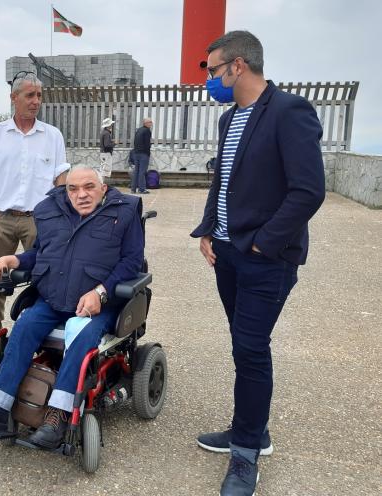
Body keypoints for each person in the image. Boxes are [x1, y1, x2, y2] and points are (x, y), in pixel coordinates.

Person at [190, 31, 325, 496]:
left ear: (238, 66)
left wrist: (263, 244)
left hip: (266, 259)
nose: (209, 79)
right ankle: (252, 428)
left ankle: (246, 452)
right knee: (243, 346)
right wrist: (209, 230)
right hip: (227, 254)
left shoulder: (289, 112)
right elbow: (221, 184)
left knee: (250, 348)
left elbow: (308, 190)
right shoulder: (230, 120)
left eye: (211, 70)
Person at [0, 165, 143, 449]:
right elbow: (40, 254)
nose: (81, 195)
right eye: (73, 189)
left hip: (97, 304)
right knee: (25, 325)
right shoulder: (51, 212)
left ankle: (58, 416)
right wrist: (14, 260)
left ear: (103, 188)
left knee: (81, 337)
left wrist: (101, 293)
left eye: (89, 187)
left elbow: (132, 262)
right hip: (55, 298)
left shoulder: (125, 212)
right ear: (66, 192)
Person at [0, 71, 69, 358]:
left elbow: (61, 178)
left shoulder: (52, 136)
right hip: (3, 219)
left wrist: (57, 217)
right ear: (14, 98)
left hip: (40, 220)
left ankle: (39, 333)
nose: (36, 101)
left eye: (39, 96)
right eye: (30, 95)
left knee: (44, 275)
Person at [131, 118, 153, 194]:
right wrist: (148, 153)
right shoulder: (147, 131)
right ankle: (142, 189)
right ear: (146, 123)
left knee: (136, 171)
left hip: (136, 153)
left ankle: (133, 188)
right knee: (142, 172)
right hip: (143, 153)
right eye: (150, 122)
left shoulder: (139, 130)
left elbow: (135, 141)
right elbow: (147, 143)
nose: (151, 123)